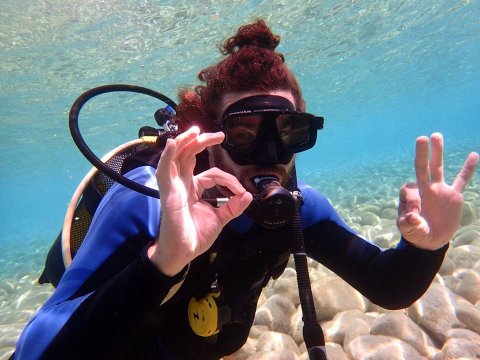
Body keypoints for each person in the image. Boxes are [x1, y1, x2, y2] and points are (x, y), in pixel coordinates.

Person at [14, 19, 478, 360]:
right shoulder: (148, 203)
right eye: (243, 133)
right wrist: (164, 261)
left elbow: (389, 285)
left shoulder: (299, 210)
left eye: (290, 132)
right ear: (211, 137)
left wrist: (427, 246)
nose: (269, 153)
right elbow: (34, 351)